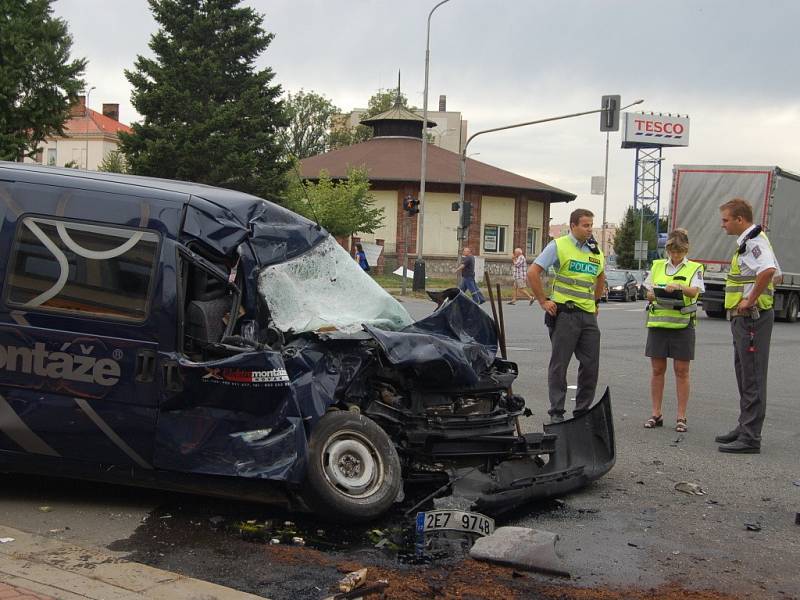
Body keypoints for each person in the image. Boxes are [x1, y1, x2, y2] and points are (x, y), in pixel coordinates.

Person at [528, 209, 606, 422]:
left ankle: (582, 411)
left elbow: (600, 277)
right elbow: (533, 272)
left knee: (591, 365)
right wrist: (544, 300)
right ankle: (557, 412)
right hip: (565, 314)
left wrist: (596, 302)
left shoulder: (595, 251)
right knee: (559, 365)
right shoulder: (559, 245)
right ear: (573, 225)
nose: (590, 229)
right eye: (585, 225)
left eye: (591, 225)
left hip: (588, 315)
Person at [715, 198, 777, 454]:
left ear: (740, 220)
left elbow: (768, 270)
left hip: (752, 316)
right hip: (745, 318)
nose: (723, 225)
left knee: (752, 375)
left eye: (725, 220)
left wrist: (750, 299)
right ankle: (744, 426)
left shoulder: (754, 242)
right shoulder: (749, 242)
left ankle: (751, 437)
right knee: (744, 374)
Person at [642, 229, 704, 433]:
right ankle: (656, 413)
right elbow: (648, 290)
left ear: (686, 250)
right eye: (672, 251)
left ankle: (681, 416)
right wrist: (653, 294)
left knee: (682, 371)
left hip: (682, 325)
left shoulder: (694, 268)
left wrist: (679, 286)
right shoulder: (658, 265)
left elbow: (695, 291)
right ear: (667, 249)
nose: (675, 256)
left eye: (679, 252)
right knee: (657, 370)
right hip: (659, 324)